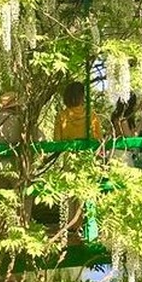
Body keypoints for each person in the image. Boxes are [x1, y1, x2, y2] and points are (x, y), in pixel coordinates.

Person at [52, 82, 102, 236]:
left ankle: (71, 224)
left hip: (69, 157)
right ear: (82, 96)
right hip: (87, 157)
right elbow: (98, 138)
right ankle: (87, 225)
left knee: (71, 191)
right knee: (86, 189)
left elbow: (57, 141)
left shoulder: (62, 116)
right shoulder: (90, 115)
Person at [110, 95, 138, 166]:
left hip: (113, 152)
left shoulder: (115, 118)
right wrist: (140, 126)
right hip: (123, 154)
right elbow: (130, 141)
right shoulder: (123, 121)